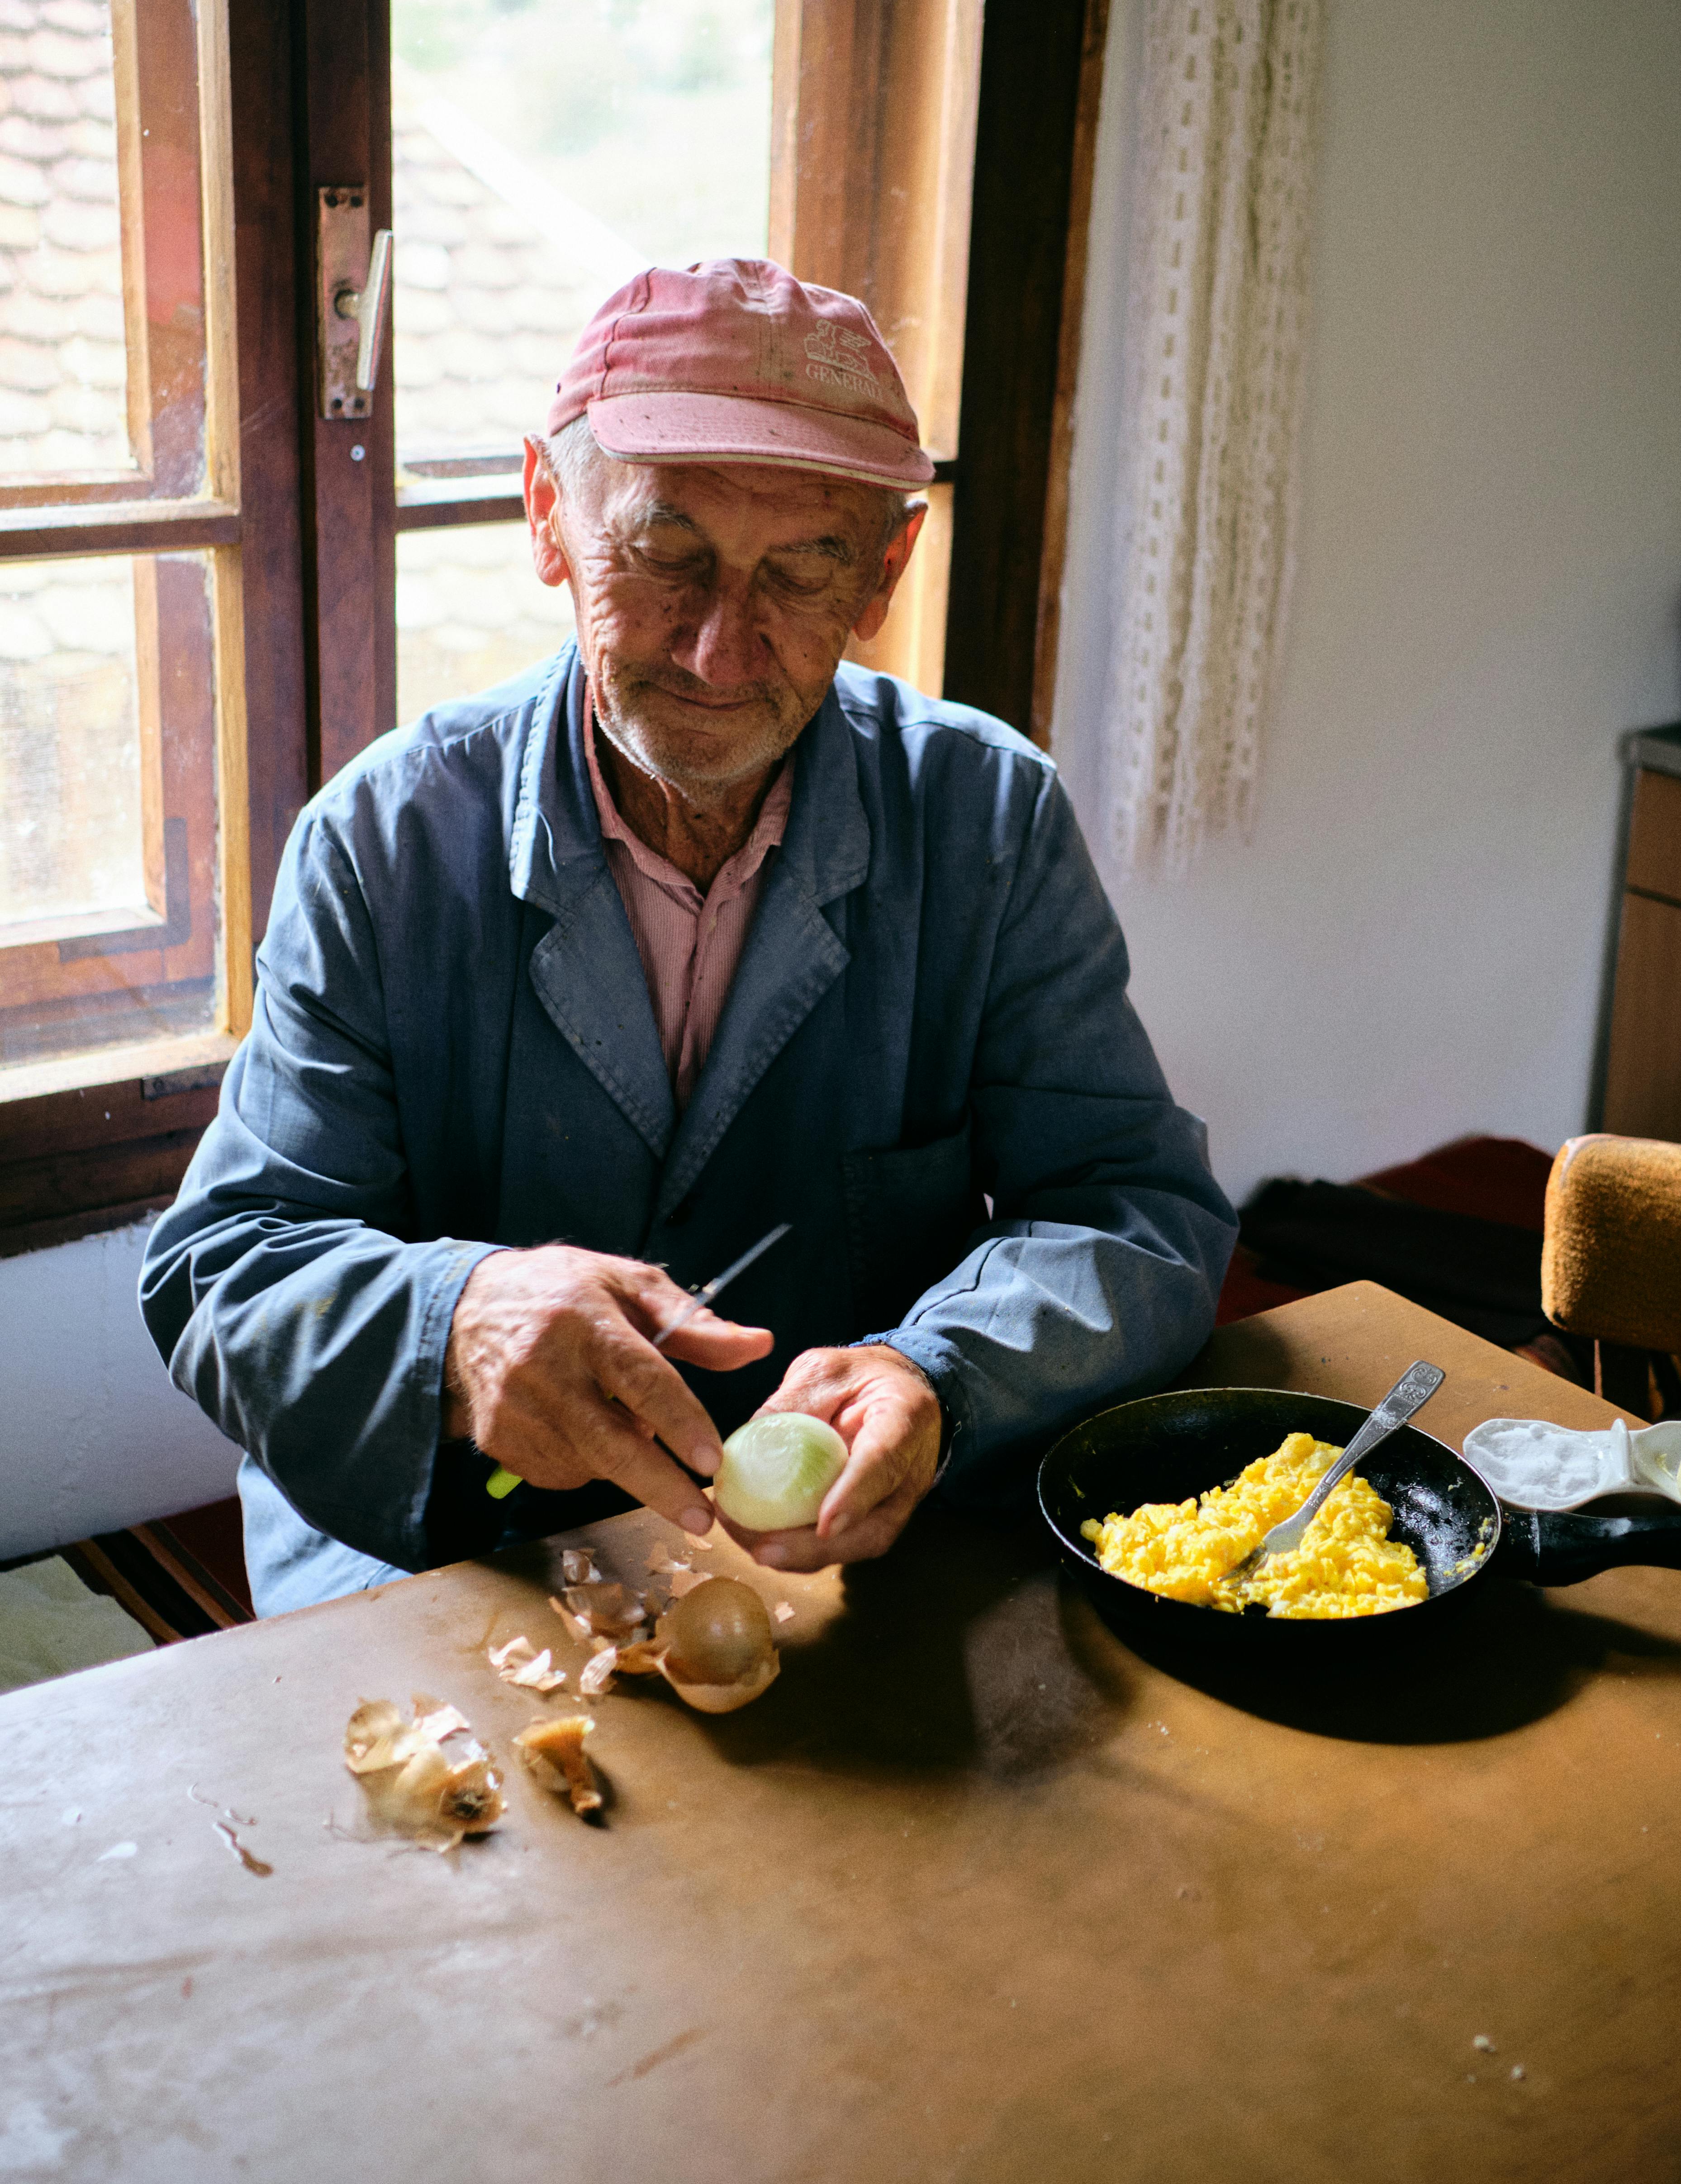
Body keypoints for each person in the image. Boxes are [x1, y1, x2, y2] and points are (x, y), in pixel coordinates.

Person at [141, 258, 1235, 1613]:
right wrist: (457, 1320)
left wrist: (942, 1372)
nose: (724, 650)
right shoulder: (387, 839)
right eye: (668, 555)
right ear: (550, 514)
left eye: (806, 567)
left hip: (834, 1565)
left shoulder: (984, 821)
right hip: (453, 1556)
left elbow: (1135, 1212)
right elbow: (227, 1270)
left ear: (883, 573)